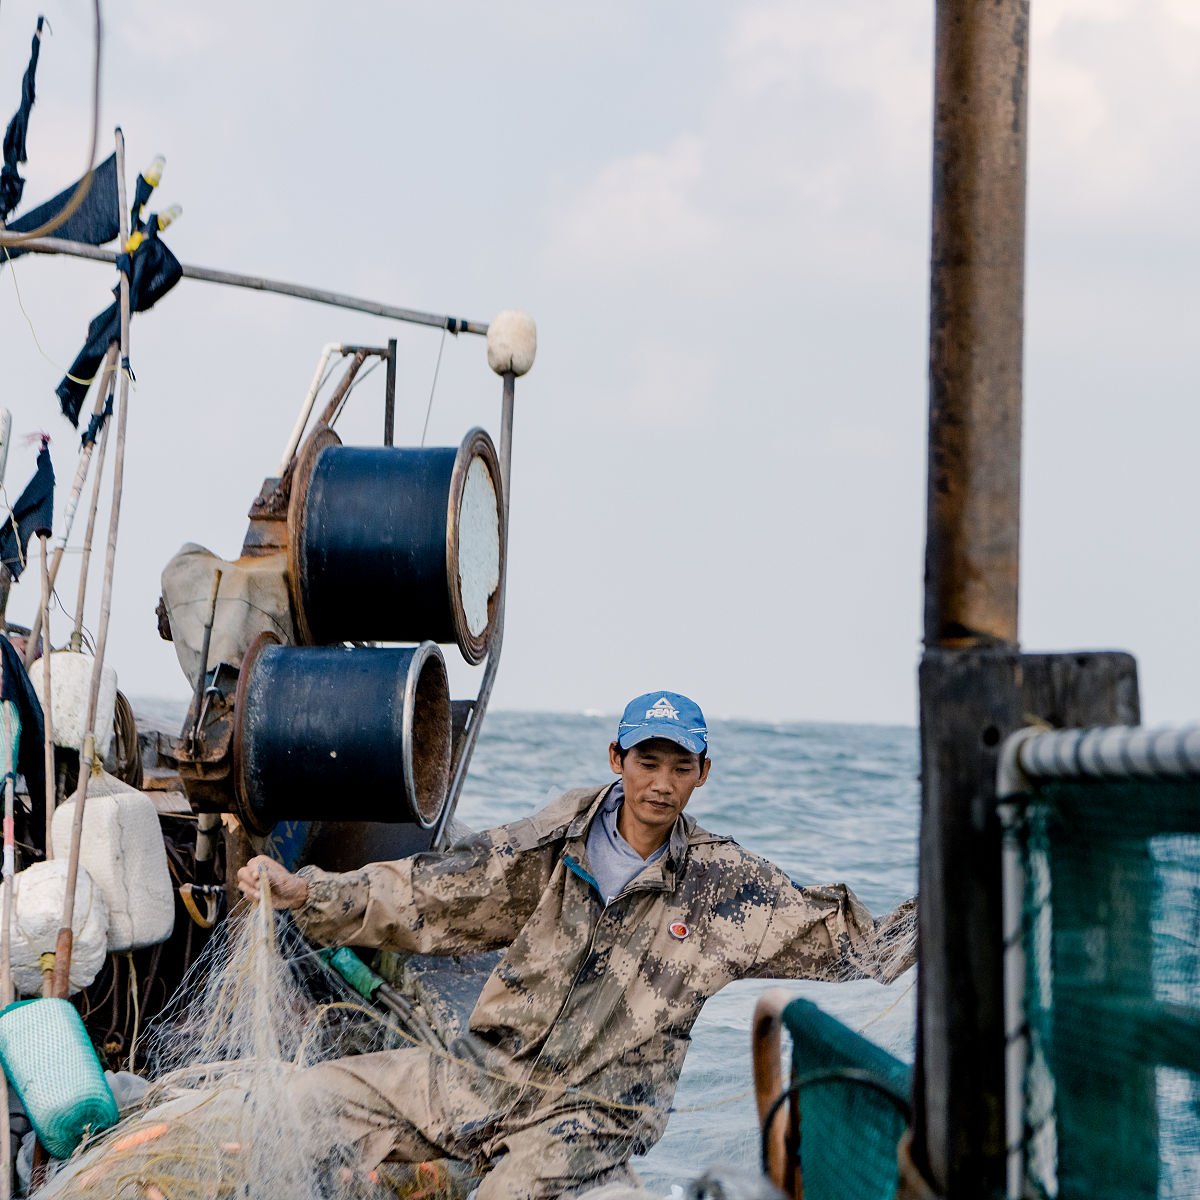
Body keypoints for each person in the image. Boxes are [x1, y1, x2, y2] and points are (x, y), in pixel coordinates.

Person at [237, 691, 916, 1200]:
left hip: (592, 1117)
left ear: (701, 774)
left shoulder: (724, 885)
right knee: (305, 1102)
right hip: (483, 1076)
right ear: (617, 759)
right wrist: (306, 893)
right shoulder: (555, 842)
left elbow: (848, 940)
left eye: (679, 767)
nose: (660, 782)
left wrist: (944, 917)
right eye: (647, 761)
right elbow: (437, 892)